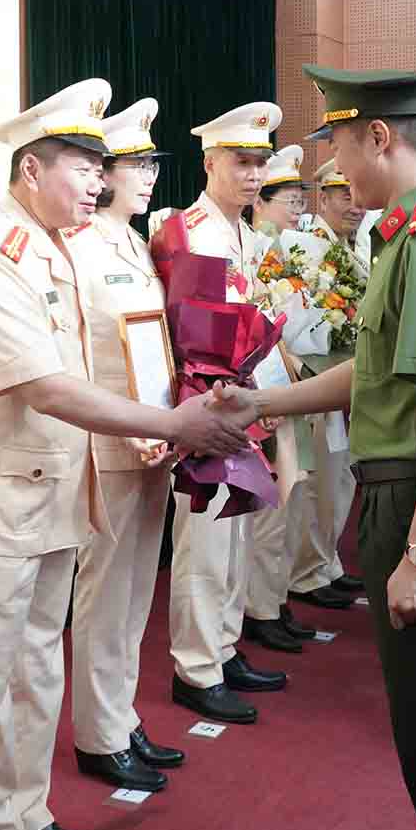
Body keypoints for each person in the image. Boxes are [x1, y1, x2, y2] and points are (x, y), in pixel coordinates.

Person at [0, 80, 250, 830]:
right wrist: (171, 424)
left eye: (102, 167)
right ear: (31, 168)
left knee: (35, 668)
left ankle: (28, 813)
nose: (98, 181)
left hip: (51, 494)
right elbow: (45, 386)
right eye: (82, 165)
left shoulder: (59, 247)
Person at [216, 63, 416, 830]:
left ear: (379, 137)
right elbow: (380, 370)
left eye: (341, 147)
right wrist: (261, 402)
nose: (335, 168)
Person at [66, 97, 187, 794]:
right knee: (106, 592)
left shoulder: (137, 243)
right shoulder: (77, 247)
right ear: (102, 173)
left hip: (156, 441)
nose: (147, 177)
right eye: (135, 165)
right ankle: (98, 733)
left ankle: (121, 713)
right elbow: (77, 361)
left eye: (152, 165)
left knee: (139, 590)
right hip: (108, 445)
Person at [165, 102, 290, 725]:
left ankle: (224, 645)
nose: (254, 174)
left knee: (238, 536)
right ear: (210, 162)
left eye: (260, 162)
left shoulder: (248, 235)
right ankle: (196, 668)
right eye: (242, 161)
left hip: (243, 401)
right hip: (205, 405)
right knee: (207, 542)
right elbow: (186, 338)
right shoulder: (188, 231)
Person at [241, 144, 324, 655]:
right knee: (269, 508)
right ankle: (261, 609)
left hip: (291, 386)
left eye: (299, 200)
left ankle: (273, 600)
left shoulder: (292, 253)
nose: (297, 209)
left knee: (292, 500)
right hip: (262, 390)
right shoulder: (251, 251)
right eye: (288, 200)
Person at [287, 157, 369, 608]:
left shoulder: (346, 245)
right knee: (320, 481)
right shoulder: (308, 247)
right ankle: (308, 572)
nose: (354, 205)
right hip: (317, 379)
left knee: (340, 481)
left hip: (345, 380)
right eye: (343, 195)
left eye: (356, 195)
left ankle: (326, 562)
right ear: (323, 198)